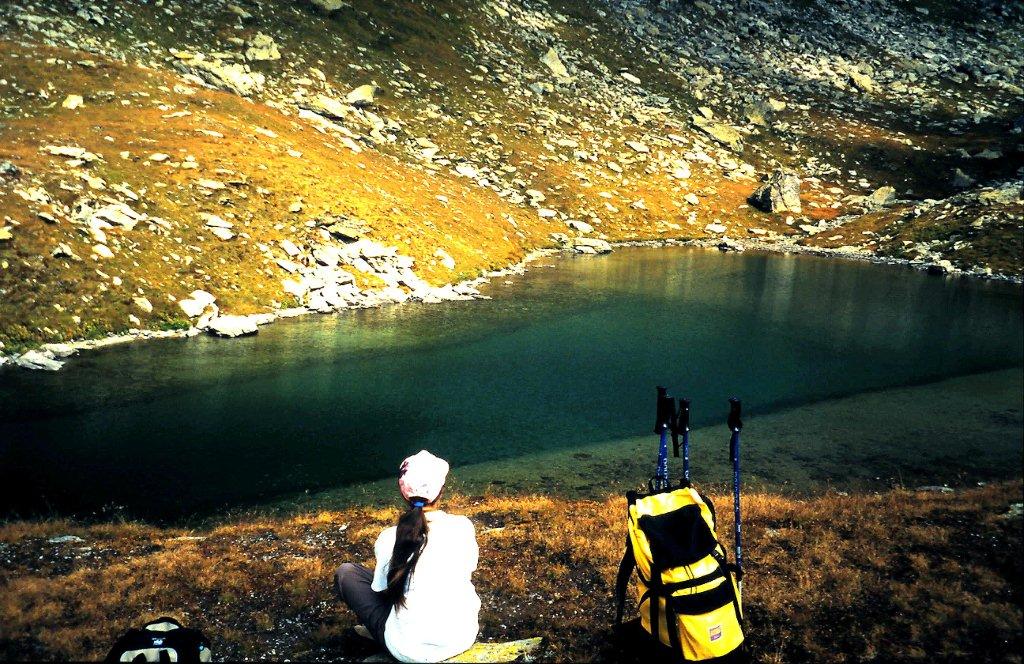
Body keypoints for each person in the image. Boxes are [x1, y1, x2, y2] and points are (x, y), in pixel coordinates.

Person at [335, 450, 480, 663]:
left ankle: (380, 629)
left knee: (347, 573)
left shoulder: (388, 538)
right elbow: (469, 568)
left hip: (408, 649)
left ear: (403, 493)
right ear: (441, 490)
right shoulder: (463, 526)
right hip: (461, 637)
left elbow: (382, 590)